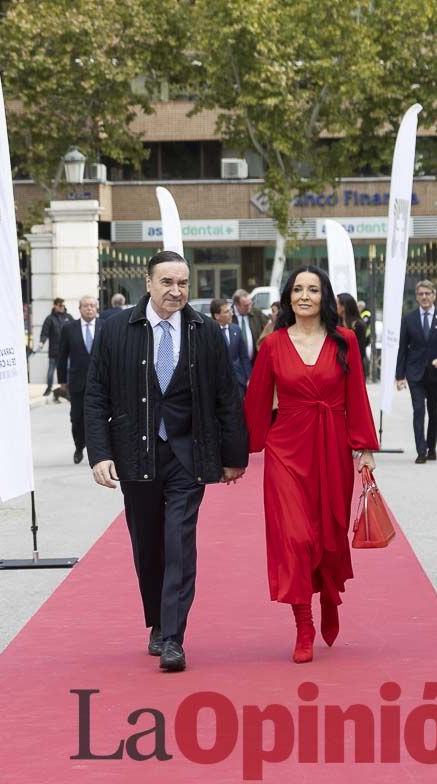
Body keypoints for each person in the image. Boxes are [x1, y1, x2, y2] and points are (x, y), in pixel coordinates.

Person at [85, 250, 248, 673]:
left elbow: (226, 396)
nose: (176, 291)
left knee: (179, 542)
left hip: (186, 455)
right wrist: (99, 454)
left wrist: (234, 456)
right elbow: (96, 394)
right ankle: (157, 621)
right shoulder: (115, 329)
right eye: (167, 283)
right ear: (149, 282)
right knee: (148, 546)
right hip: (135, 453)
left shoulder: (205, 331)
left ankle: (174, 637)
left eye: (183, 284)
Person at [244, 265, 379, 663]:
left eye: (313, 289)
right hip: (286, 447)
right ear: (287, 297)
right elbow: (255, 400)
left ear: (325, 297)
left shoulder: (346, 341)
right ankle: (303, 623)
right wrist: (238, 455)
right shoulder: (272, 344)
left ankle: (330, 595)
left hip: (332, 447)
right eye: (298, 289)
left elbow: (356, 395)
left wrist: (364, 448)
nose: (304, 296)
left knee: (327, 535)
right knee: (295, 537)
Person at [395, 280, 437, 463]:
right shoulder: (409, 319)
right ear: (417, 296)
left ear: (434, 295)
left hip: (435, 374)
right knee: (418, 410)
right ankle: (421, 450)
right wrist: (399, 376)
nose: (424, 297)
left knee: (434, 411)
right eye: (421, 294)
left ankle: (432, 447)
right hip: (415, 373)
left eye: (428, 293)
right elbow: (403, 348)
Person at [56, 295, 101, 465]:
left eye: (92, 305)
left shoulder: (104, 326)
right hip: (77, 382)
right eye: (86, 306)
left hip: (100, 382)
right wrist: (62, 380)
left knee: (98, 417)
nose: (89, 308)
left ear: (96, 308)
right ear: (80, 309)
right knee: (77, 418)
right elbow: (62, 356)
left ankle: (97, 450)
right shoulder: (69, 328)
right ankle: (79, 446)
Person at [210, 298, 251, 391]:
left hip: (238, 381)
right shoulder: (210, 333)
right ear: (217, 316)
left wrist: (249, 377)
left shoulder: (236, 329)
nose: (231, 313)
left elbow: (244, 356)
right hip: (219, 384)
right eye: (226, 311)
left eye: (231, 310)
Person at [39, 297, 74, 399]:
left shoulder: (68, 317)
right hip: (54, 350)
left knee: (67, 370)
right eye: (60, 305)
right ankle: (49, 388)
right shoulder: (50, 319)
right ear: (55, 306)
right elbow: (44, 332)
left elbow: (76, 328)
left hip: (67, 350)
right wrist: (42, 342)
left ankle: (65, 390)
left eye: (63, 305)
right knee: (51, 370)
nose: (62, 307)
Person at [337, 293, 369, 378]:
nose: (335, 306)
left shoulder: (359, 325)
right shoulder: (336, 324)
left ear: (343, 307)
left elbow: (361, 350)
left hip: (355, 367)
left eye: (337, 303)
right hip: (337, 367)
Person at [232, 288, 268, 363]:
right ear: (237, 305)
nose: (249, 307)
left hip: (255, 361)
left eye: (250, 303)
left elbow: (268, 329)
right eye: (246, 305)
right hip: (236, 365)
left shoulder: (256, 313)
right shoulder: (229, 316)